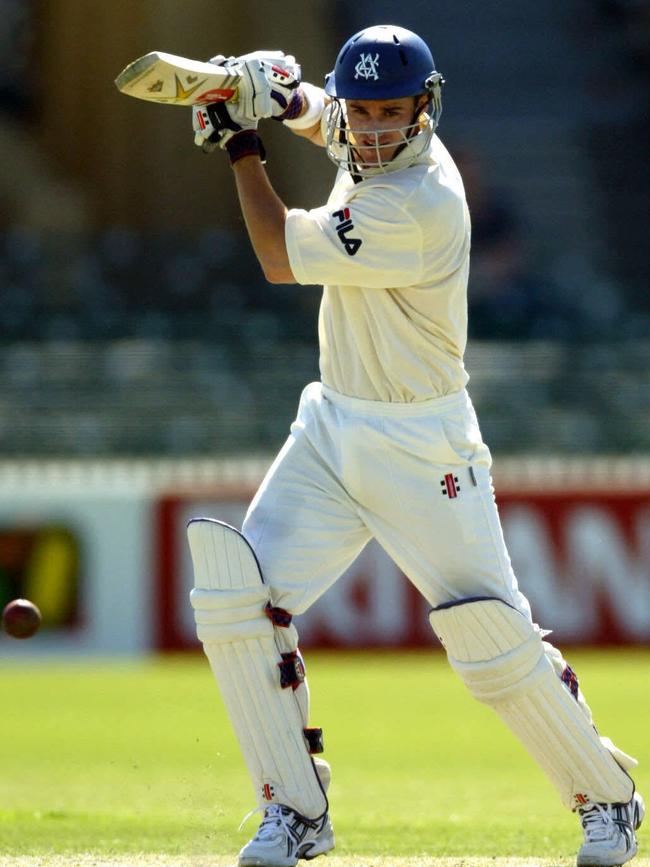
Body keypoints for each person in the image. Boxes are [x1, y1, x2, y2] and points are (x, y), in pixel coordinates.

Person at [187, 25, 644, 867]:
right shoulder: (364, 141)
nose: (368, 131)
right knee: (234, 598)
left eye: (388, 114)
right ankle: (294, 808)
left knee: (491, 643)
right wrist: (278, 94)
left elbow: (279, 256)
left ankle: (608, 799)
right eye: (360, 113)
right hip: (331, 427)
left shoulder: (419, 202)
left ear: (424, 111)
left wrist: (240, 142)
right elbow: (326, 117)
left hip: (423, 444)